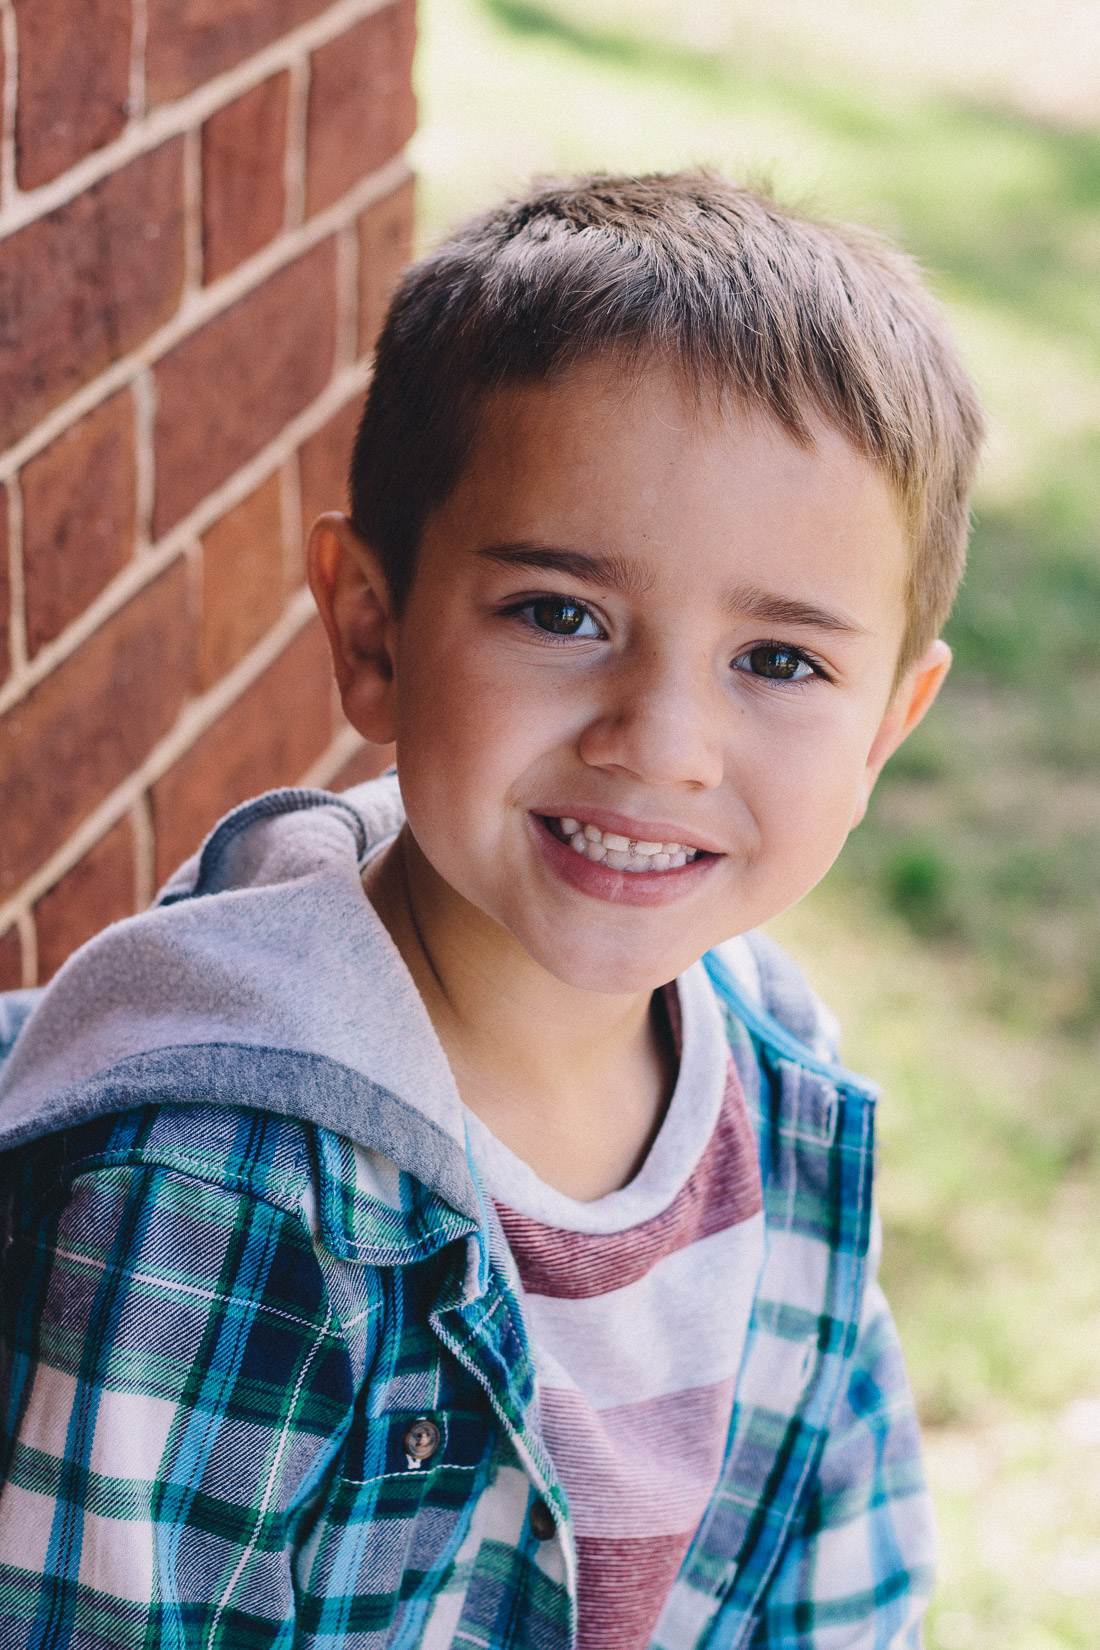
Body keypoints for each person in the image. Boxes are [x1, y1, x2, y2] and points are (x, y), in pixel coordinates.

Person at [0, 170, 983, 1649]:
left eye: (778, 660)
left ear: (887, 727)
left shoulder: (786, 1084)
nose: (660, 741)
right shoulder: (224, 1190)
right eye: (561, 614)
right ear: (370, 630)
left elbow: (844, 1582)